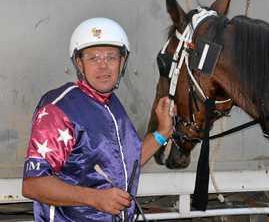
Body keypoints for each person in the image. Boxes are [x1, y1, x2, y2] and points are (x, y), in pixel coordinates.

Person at [22, 17, 174, 222]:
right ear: (79, 63)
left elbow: (126, 163)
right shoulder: (59, 108)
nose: (103, 66)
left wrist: (162, 132)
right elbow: (33, 185)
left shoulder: (112, 104)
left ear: (122, 62)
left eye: (111, 57)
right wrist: (95, 198)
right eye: (94, 58)